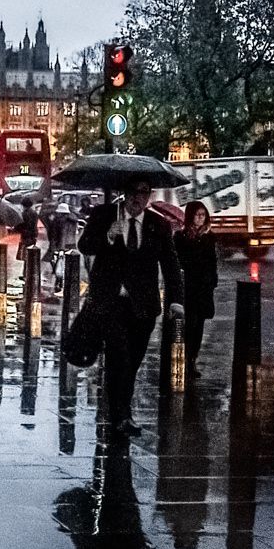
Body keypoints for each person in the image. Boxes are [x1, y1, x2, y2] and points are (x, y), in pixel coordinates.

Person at [77, 178, 183, 438]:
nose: (139, 199)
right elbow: (84, 245)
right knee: (119, 357)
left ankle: (120, 409)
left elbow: (170, 264)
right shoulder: (104, 215)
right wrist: (107, 236)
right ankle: (121, 415)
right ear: (125, 194)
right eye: (135, 193)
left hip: (143, 307)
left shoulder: (159, 225)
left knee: (132, 362)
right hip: (110, 303)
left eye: (144, 194)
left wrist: (176, 301)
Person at [173, 200, 218, 375]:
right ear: (190, 216)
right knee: (187, 325)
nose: (200, 218)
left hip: (203, 288)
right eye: (197, 215)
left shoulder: (209, 237)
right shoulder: (180, 237)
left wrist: (212, 281)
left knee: (198, 325)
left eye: (203, 215)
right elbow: (178, 261)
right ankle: (183, 359)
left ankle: (192, 359)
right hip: (188, 287)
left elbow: (212, 262)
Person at [18, 195, 39, 261]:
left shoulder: (24, 214)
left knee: (25, 255)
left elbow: (20, 225)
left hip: (25, 235)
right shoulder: (35, 213)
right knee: (31, 253)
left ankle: (26, 269)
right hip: (33, 235)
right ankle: (30, 268)